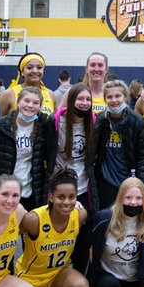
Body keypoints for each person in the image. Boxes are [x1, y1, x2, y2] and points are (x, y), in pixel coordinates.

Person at [14, 169, 90, 287]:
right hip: (30, 281)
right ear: (51, 197)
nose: (67, 202)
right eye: (61, 197)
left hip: (56, 276)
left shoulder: (80, 215)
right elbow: (8, 235)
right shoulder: (34, 219)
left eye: (71, 197)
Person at [93, 79, 144, 209]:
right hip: (106, 183)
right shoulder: (100, 120)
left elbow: (142, 158)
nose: (114, 100)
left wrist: (139, 185)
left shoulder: (137, 122)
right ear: (105, 99)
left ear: (125, 97)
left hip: (129, 183)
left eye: (118, 96)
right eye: (109, 97)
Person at [0, 86, 49, 210]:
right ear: (18, 103)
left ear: (40, 107)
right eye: (26, 101)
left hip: (30, 192)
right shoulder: (1, 126)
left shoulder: (43, 126)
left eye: (36, 103)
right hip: (6, 192)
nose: (30, 105)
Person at [49, 82, 97, 210]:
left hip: (83, 188)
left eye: (88, 99)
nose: (85, 103)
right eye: (80, 99)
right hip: (60, 186)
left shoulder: (94, 122)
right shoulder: (55, 121)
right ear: (71, 100)